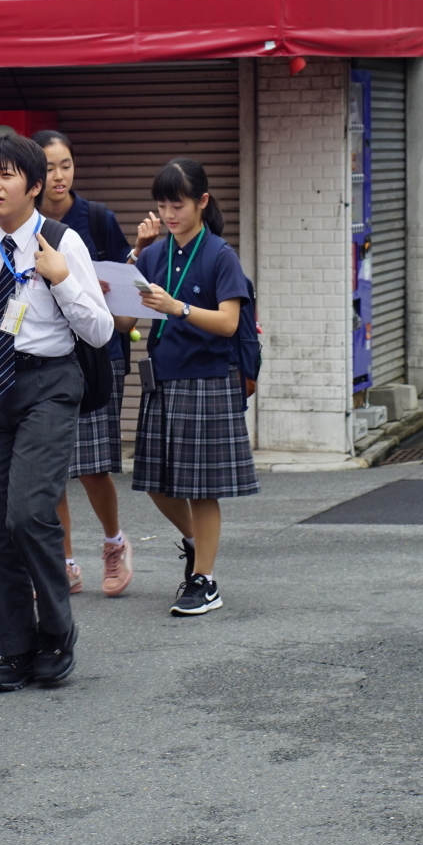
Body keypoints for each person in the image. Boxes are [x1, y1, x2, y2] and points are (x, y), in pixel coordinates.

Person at [0, 134, 113, 692]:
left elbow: (101, 330)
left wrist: (59, 276)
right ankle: (14, 650)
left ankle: (57, 635)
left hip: (48, 385)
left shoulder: (63, 242)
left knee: (30, 514)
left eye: (5, 175)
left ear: (33, 186)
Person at [130, 158, 256, 617]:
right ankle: (193, 544)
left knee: (202, 488)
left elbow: (228, 322)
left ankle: (205, 579)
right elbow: (124, 319)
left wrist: (177, 307)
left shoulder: (220, 254)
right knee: (155, 481)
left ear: (202, 202)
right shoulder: (151, 253)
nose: (168, 214)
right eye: (162, 205)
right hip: (163, 378)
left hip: (208, 378)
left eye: (177, 204)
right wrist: (125, 269)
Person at [34, 129, 139, 597]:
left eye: (66, 165)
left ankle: (114, 544)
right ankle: (64, 560)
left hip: (98, 355)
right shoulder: (24, 224)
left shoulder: (97, 219)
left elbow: (127, 284)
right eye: (49, 167)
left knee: (93, 465)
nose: (59, 176)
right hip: (43, 355)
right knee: (52, 466)